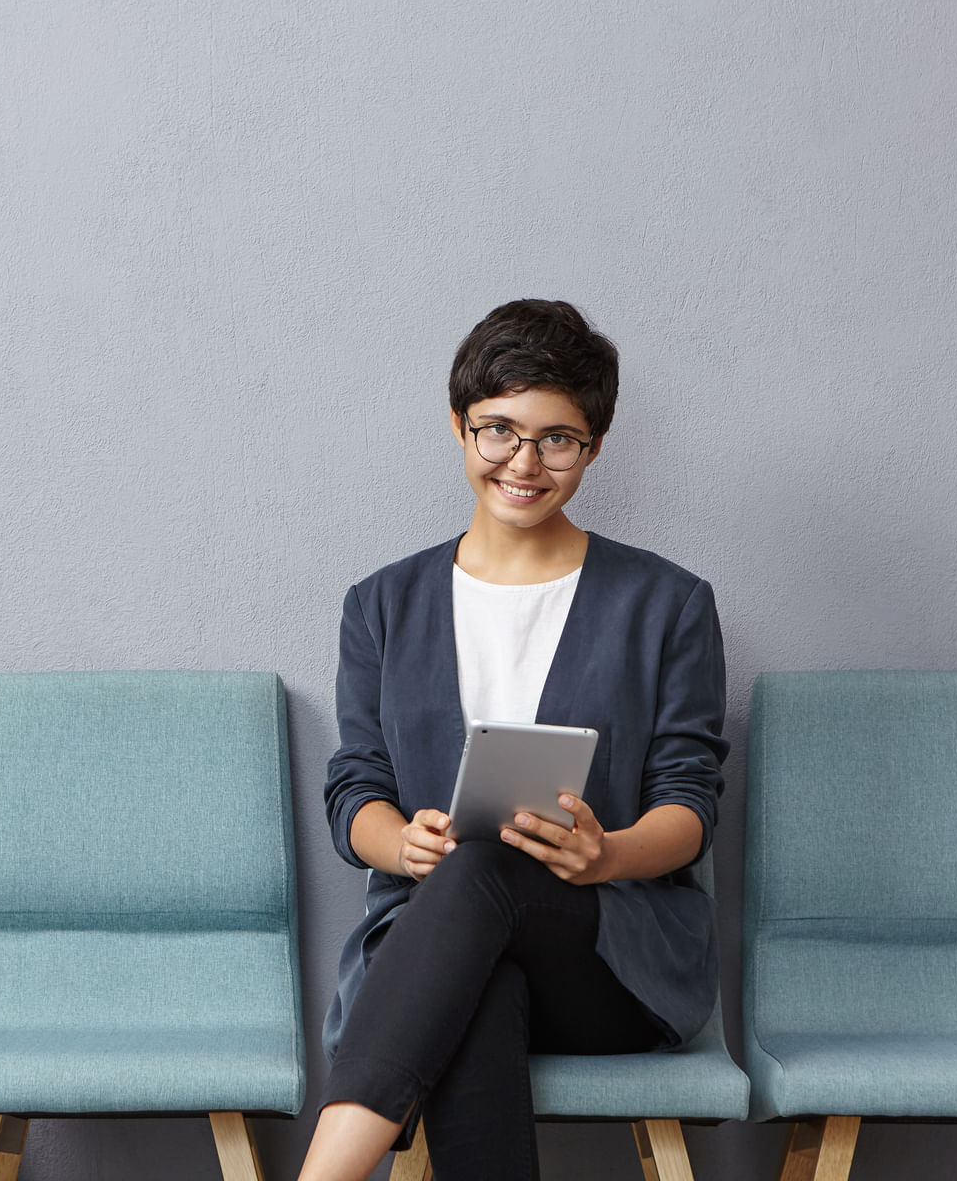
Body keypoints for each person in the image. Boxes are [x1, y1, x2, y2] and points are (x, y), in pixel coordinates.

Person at [297, 300, 729, 1181]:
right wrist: (403, 844)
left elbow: (690, 801)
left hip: (611, 961)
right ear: (459, 427)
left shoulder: (669, 605)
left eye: (557, 439)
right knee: (476, 967)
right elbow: (356, 788)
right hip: (437, 954)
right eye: (498, 431)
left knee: (484, 872)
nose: (523, 464)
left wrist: (605, 855)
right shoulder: (381, 604)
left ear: (593, 446)